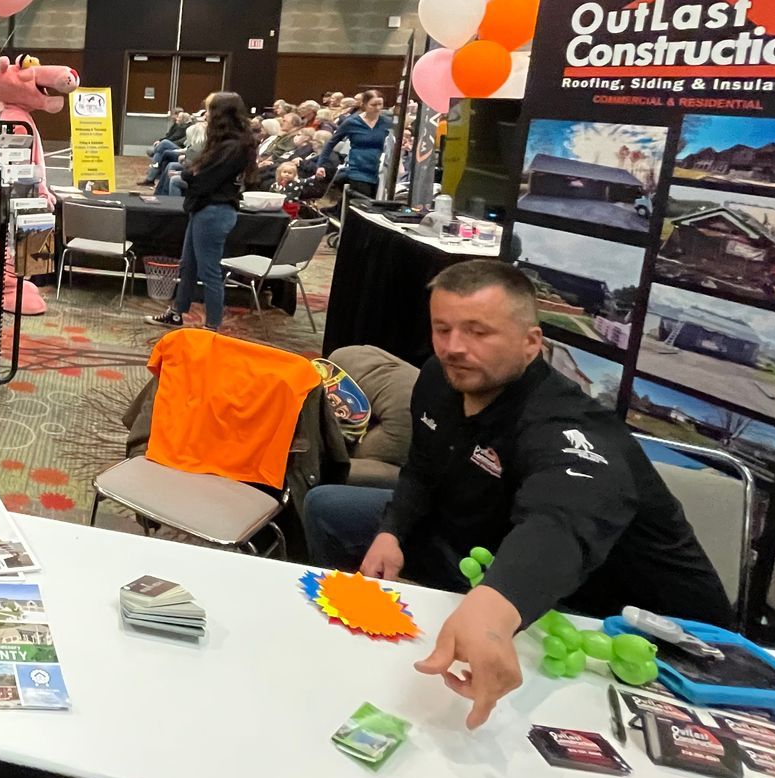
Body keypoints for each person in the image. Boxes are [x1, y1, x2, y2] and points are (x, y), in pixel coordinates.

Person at [302, 262, 733, 728]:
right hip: (481, 544)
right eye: (442, 328)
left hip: (626, 622)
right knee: (329, 508)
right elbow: (423, 469)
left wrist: (494, 606)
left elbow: (560, 519)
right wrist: (393, 531)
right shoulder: (439, 379)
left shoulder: (567, 425)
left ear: (531, 342)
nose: (453, 347)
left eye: (478, 332)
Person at [146, 92, 256, 331]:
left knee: (209, 272)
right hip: (204, 209)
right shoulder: (224, 143)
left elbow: (203, 179)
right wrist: (191, 173)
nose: (205, 115)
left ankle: (212, 326)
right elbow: (198, 173)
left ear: (220, 114)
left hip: (214, 212)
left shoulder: (233, 147)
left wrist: (188, 174)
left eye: (209, 110)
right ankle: (177, 313)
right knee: (188, 266)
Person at [327, 88, 393, 198]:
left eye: (380, 104)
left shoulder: (387, 122)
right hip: (358, 171)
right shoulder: (352, 122)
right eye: (373, 105)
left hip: (380, 172)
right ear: (364, 105)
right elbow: (331, 143)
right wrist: (321, 164)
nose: (377, 108)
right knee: (362, 202)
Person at [140, 108, 192, 186]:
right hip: (177, 146)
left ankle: (150, 177)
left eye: (179, 118)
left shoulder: (188, 128)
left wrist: (167, 143)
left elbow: (182, 142)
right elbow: (169, 136)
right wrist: (161, 141)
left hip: (182, 149)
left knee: (164, 144)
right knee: (159, 153)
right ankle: (150, 179)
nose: (177, 119)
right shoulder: (178, 126)